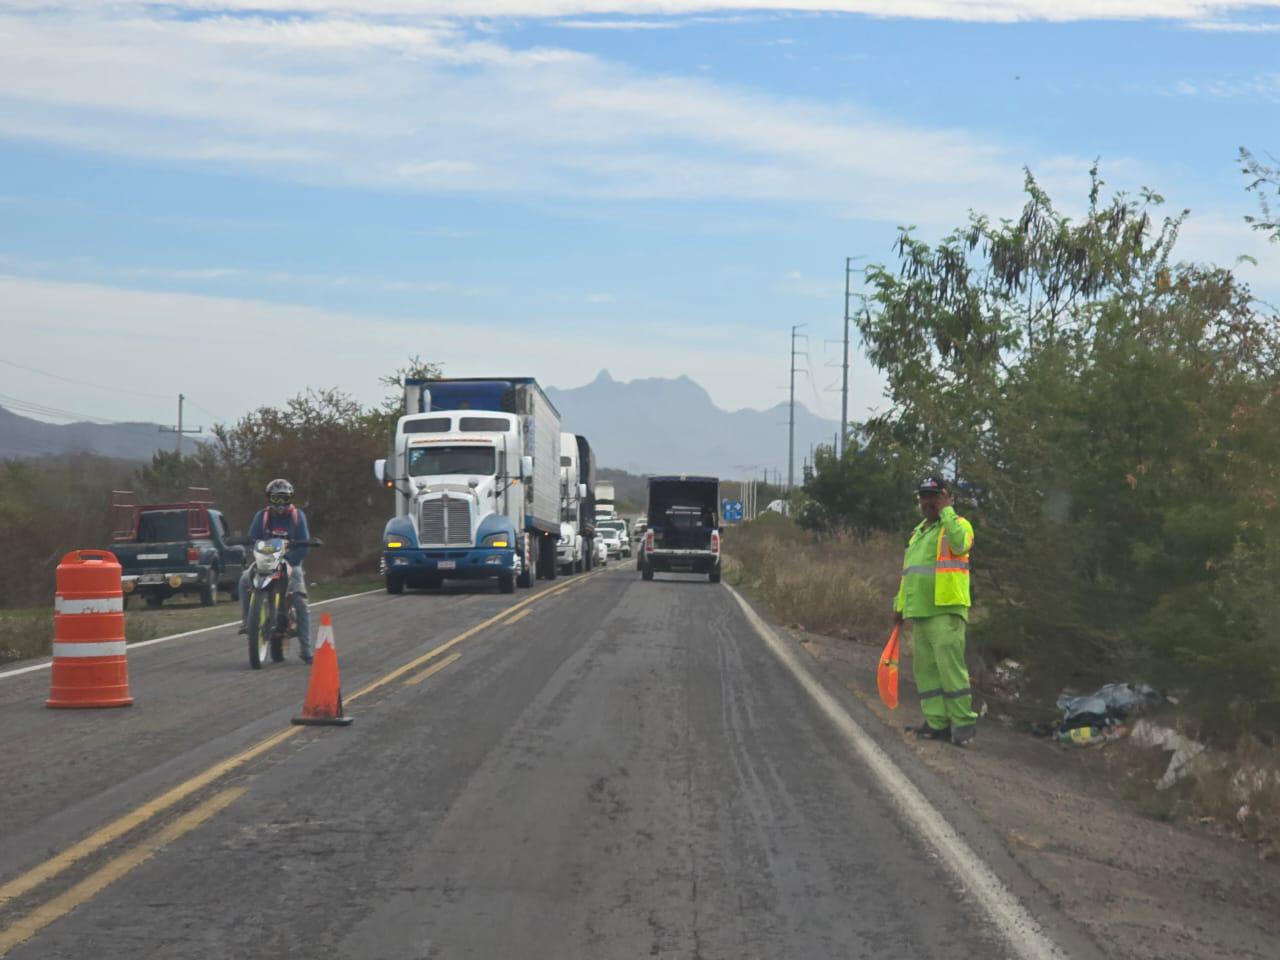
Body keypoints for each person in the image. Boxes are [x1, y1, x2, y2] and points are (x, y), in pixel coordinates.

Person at [893, 475, 977, 745]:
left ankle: (963, 726)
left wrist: (947, 511)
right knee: (926, 672)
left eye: (933, 496)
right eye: (924, 497)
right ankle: (936, 723)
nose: (928, 502)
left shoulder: (958, 524)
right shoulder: (919, 532)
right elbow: (910, 573)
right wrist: (900, 606)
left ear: (946, 497)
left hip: (946, 611)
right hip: (920, 611)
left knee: (951, 671)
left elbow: (961, 544)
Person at [238, 478, 313, 663]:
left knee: (300, 601)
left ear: (290, 499)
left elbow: (304, 547)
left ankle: (306, 650)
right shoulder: (262, 516)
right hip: (265, 561)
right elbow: (253, 539)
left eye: (284, 498)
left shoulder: (297, 516)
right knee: (244, 579)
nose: (280, 503)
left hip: (290, 563)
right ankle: (247, 622)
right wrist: (252, 546)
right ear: (269, 498)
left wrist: (290, 560)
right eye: (276, 498)